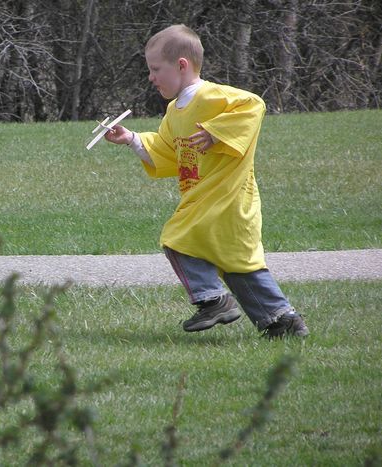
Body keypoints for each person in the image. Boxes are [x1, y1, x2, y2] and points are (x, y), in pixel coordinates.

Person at [104, 24, 309, 338]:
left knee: (178, 239)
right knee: (238, 266)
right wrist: (131, 138)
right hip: (204, 198)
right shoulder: (174, 110)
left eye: (156, 69)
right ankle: (282, 320)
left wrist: (218, 131)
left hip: (229, 198)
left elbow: (254, 105)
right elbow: (167, 150)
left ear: (182, 65)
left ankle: (212, 299)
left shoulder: (213, 96)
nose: (151, 77)